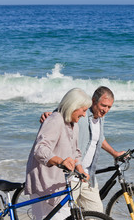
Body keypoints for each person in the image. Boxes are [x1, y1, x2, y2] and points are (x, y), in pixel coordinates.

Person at [40, 86, 124, 213]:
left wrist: (115, 153)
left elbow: (99, 139)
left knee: (97, 214)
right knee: (63, 214)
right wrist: (48, 115)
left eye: (109, 107)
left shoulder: (100, 118)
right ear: (94, 101)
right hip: (71, 176)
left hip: (87, 176)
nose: (106, 110)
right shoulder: (80, 113)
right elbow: (61, 114)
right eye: (103, 105)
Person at [25, 88, 92, 220]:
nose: (85, 115)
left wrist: (80, 169)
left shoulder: (74, 125)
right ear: (73, 107)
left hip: (59, 183)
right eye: (83, 110)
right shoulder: (55, 120)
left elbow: (75, 152)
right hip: (44, 181)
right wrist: (60, 161)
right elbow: (40, 149)